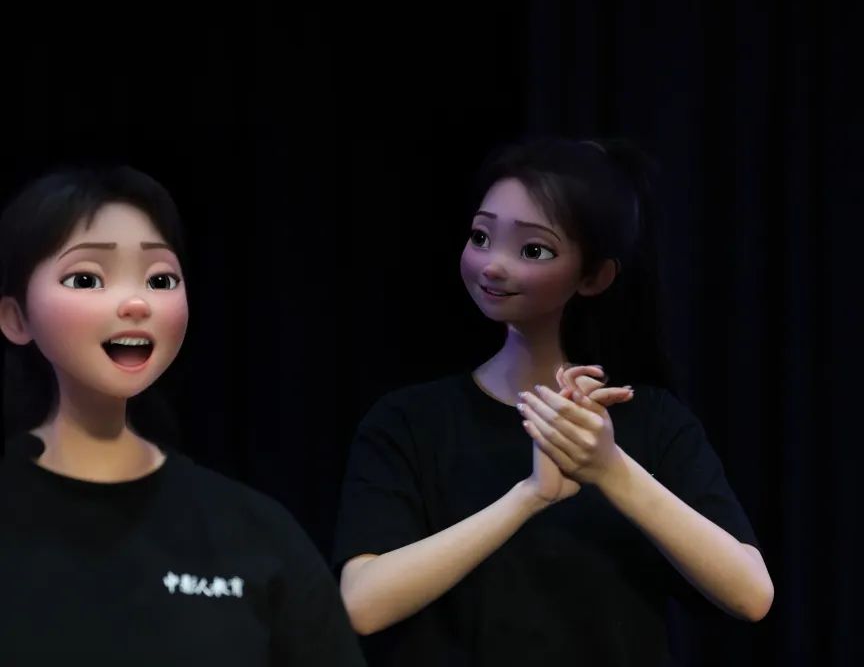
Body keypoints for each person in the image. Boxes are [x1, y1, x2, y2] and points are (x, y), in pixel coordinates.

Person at [334, 138, 773, 666]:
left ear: (594, 277)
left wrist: (609, 469)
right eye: (481, 237)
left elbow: (751, 594)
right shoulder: (410, 421)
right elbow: (361, 604)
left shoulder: (652, 421)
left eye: (532, 250)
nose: (492, 266)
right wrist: (530, 496)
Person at [0, 165, 367, 666]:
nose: (136, 303)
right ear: (15, 318)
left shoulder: (253, 528)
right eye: (86, 278)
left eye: (160, 279)